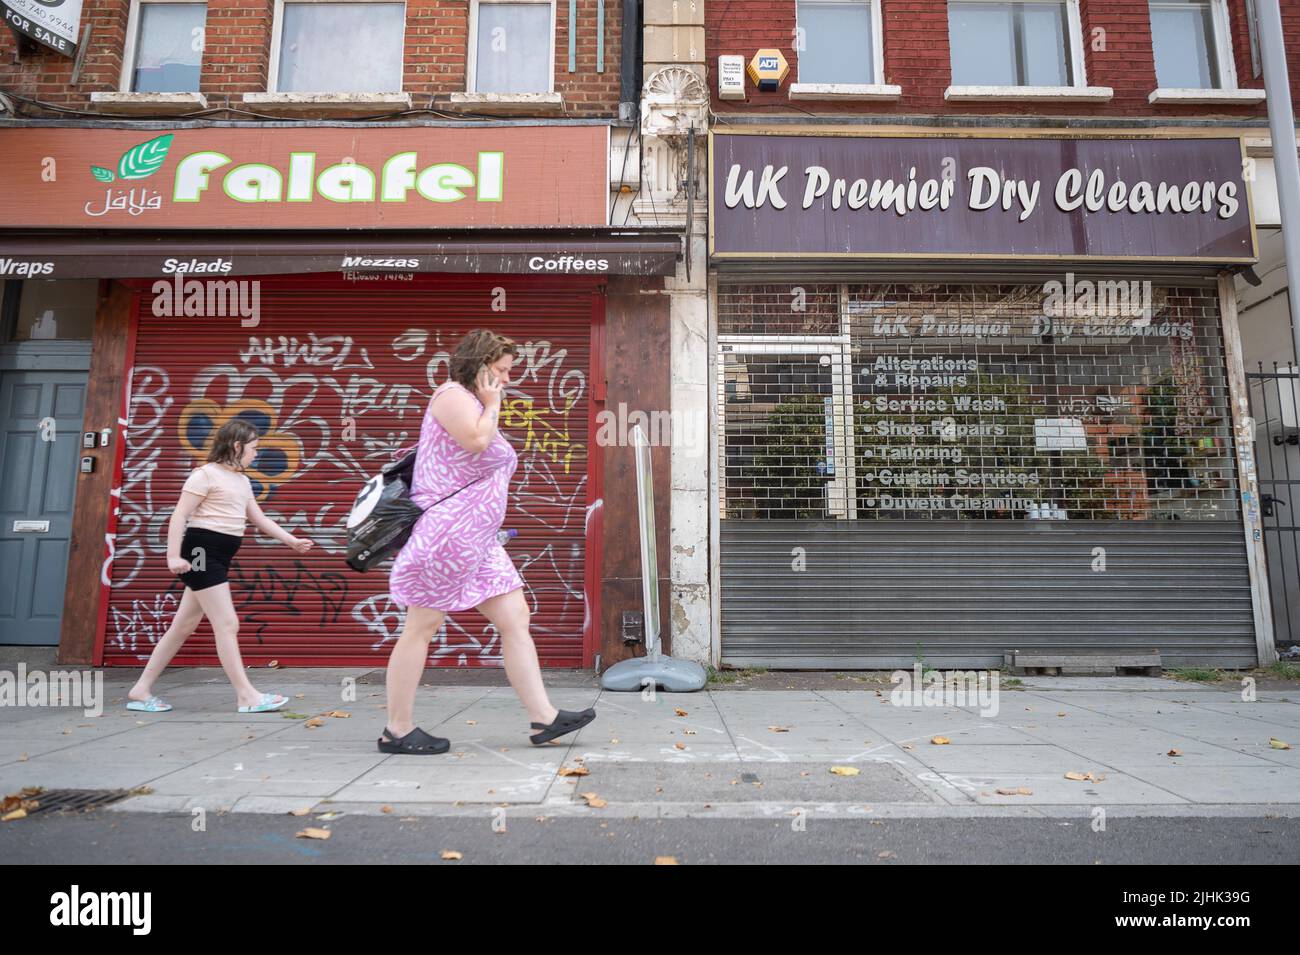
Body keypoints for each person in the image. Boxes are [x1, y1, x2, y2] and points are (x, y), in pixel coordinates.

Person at [381, 329, 596, 754]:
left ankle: (544, 718)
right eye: (501, 370)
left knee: (515, 616)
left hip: (476, 539)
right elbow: (476, 442)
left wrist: (491, 403)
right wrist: (494, 404)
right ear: (478, 367)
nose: (507, 379)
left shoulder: (475, 403)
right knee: (421, 627)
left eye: (508, 371)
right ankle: (397, 729)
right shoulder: (451, 396)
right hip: (447, 535)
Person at [126, 419, 314, 714]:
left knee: (184, 625)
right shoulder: (204, 475)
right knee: (227, 623)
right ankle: (247, 696)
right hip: (201, 552)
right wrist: (172, 557)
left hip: (219, 555)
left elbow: (259, 518)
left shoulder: (241, 480)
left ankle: (140, 689)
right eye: (253, 448)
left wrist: (292, 541)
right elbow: (179, 516)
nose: (257, 454)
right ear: (236, 446)